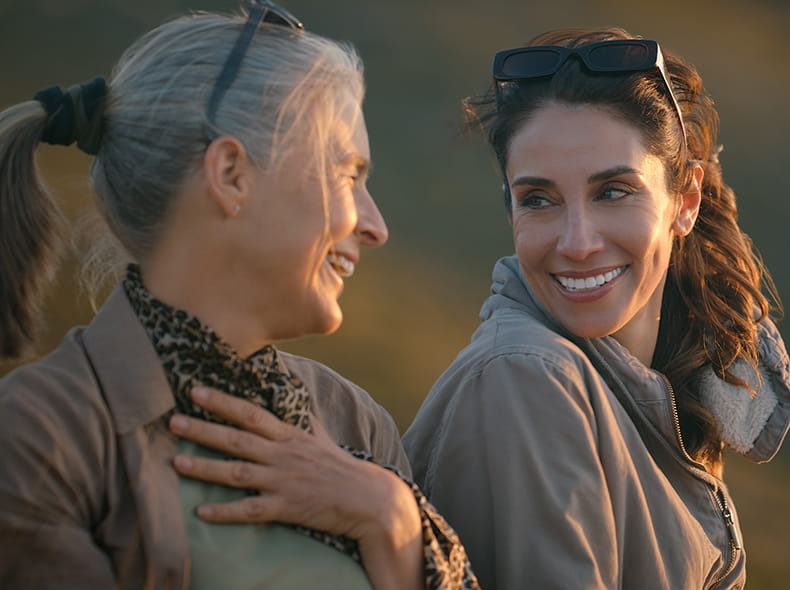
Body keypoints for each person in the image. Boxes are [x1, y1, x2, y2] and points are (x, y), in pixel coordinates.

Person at [0, 2, 479, 589]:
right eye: (348, 174)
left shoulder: (357, 422)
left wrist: (392, 520)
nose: (376, 226)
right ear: (230, 175)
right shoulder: (38, 436)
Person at [403, 26, 790, 590]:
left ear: (685, 200)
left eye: (612, 191)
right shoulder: (528, 379)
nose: (577, 241)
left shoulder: (659, 398)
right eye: (539, 200)